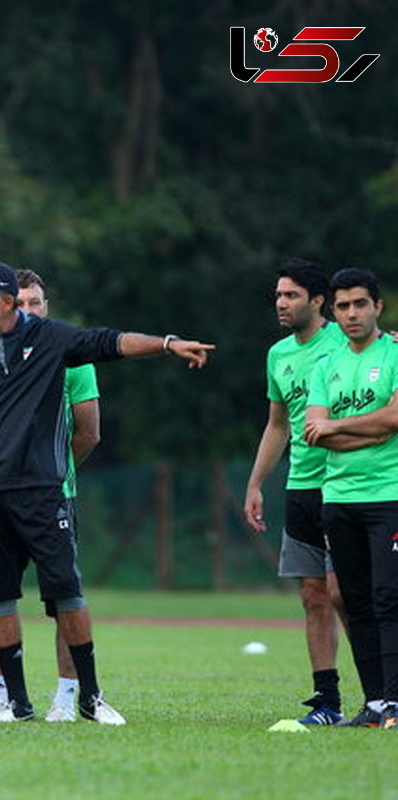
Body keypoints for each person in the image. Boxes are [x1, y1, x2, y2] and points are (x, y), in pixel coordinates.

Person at [0, 260, 212, 725]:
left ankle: (89, 697)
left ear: (6, 301)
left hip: (41, 492)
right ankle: (15, 704)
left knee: (68, 594)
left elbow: (109, 342)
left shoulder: (49, 338)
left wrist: (166, 344)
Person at [242, 260, 347, 725]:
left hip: (348, 484)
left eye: (291, 296)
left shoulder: (346, 340)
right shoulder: (278, 354)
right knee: (312, 594)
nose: (281, 303)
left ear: (317, 300)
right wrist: (256, 483)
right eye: (278, 296)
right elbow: (278, 424)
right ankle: (327, 701)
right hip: (302, 485)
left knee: (346, 592)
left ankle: (385, 696)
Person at [302, 267, 398, 728]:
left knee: (389, 595)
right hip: (337, 497)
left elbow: (395, 418)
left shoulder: (395, 354)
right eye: (343, 306)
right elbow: (313, 432)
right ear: (332, 311)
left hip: (389, 494)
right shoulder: (327, 366)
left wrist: (339, 427)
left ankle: (397, 701)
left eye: (360, 303)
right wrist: (371, 429)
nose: (352, 313)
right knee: (353, 599)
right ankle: (376, 702)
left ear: (378, 306)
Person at [14, 268, 101, 722]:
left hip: (52, 494)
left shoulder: (72, 358)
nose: (28, 311)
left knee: (64, 597)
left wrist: (54, 471)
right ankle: (7, 699)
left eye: (36, 303)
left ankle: (67, 696)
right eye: (20, 302)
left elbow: (88, 433)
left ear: (47, 307)